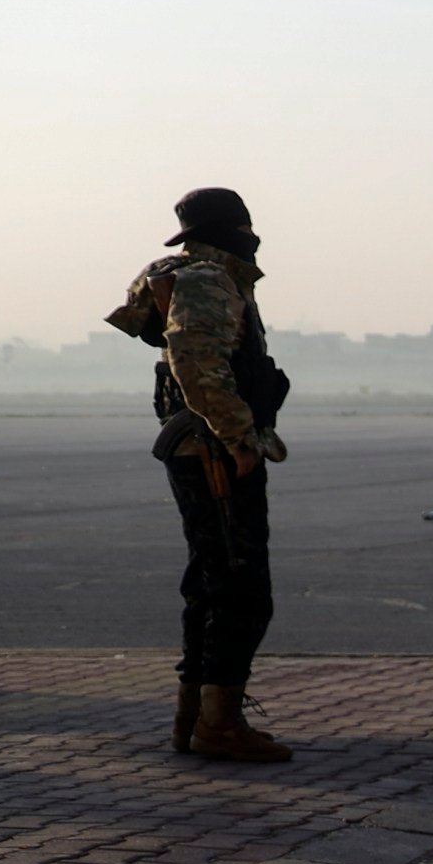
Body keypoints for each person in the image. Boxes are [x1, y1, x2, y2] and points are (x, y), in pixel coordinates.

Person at [103, 187, 294, 762]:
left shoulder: (189, 275)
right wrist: (238, 437)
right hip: (213, 449)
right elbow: (196, 361)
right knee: (240, 587)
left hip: (200, 444)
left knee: (212, 581)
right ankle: (218, 723)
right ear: (240, 231)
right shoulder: (210, 279)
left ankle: (197, 717)